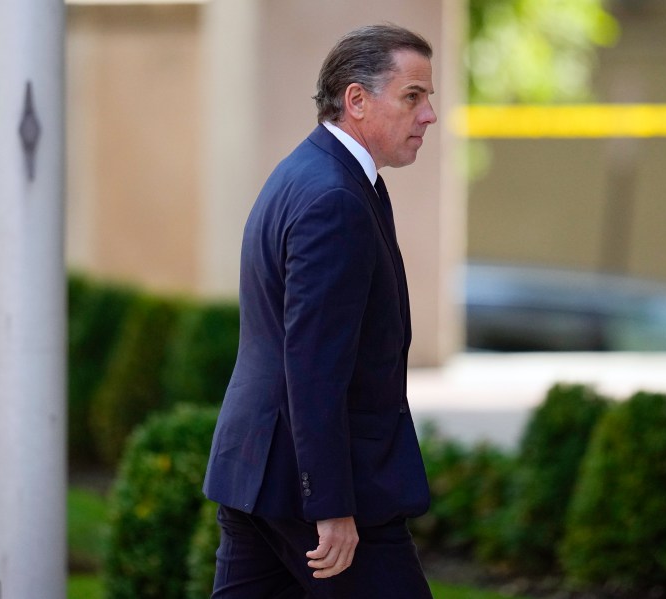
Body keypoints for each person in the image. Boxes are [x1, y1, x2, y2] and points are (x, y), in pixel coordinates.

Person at [202, 24, 438, 599]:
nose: (429, 115)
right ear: (356, 100)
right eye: (413, 96)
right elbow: (312, 365)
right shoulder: (334, 197)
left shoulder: (308, 174)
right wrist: (329, 504)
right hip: (318, 493)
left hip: (261, 474)